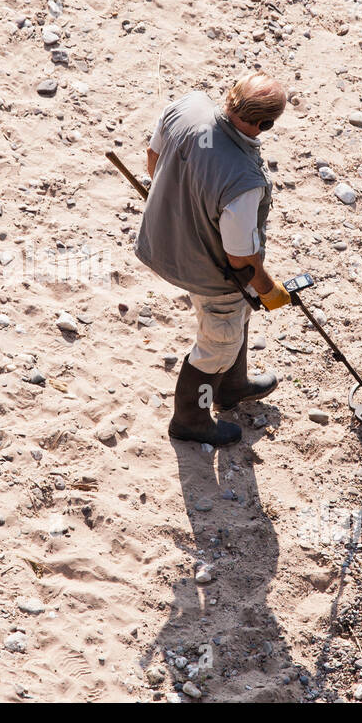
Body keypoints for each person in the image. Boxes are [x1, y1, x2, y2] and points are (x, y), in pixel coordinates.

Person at [135, 72, 291, 446]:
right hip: (206, 269)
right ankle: (191, 419)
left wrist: (186, 201)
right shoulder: (243, 180)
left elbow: (153, 158)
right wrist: (269, 290)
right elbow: (239, 259)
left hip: (163, 238)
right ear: (264, 124)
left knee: (240, 313)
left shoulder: (187, 107)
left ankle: (232, 387)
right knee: (218, 340)